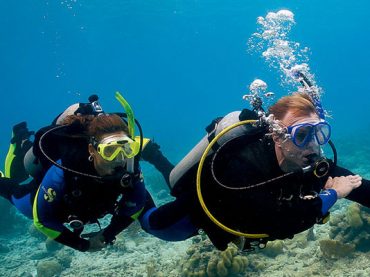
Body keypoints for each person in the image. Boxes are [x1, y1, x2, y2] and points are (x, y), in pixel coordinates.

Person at [139, 91, 368, 251]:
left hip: (256, 218)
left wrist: (340, 190)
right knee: (152, 224)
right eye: (301, 134)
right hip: (200, 210)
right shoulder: (245, 166)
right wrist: (333, 194)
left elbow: (360, 187)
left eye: (319, 133)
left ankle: (153, 160)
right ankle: (141, 175)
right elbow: (280, 223)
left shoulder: (312, 163)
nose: (312, 145)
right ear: (278, 136)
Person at [0, 94, 174, 252]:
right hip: (60, 200)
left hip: (94, 206)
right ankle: (22, 143)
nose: (119, 159)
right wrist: (82, 245)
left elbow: (136, 204)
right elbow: (42, 219)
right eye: (109, 151)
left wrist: (107, 234)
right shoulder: (67, 167)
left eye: (127, 149)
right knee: (18, 197)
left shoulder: (129, 164)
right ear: (92, 149)